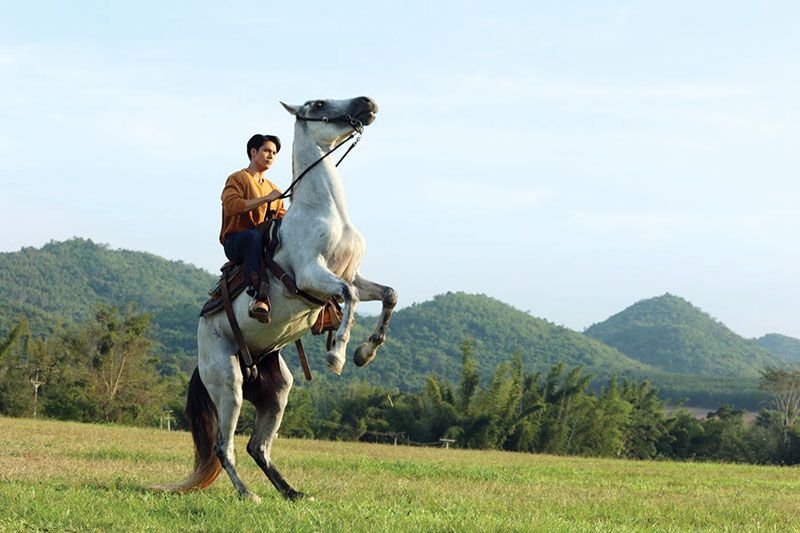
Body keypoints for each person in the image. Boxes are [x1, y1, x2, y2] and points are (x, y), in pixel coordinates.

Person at [219, 134, 287, 322]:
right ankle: (258, 294)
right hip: (237, 241)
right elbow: (231, 206)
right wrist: (266, 199)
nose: (271, 155)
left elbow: (283, 220)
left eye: (274, 153)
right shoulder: (237, 178)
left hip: (262, 243)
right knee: (252, 237)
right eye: (266, 150)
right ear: (253, 152)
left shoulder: (273, 187)